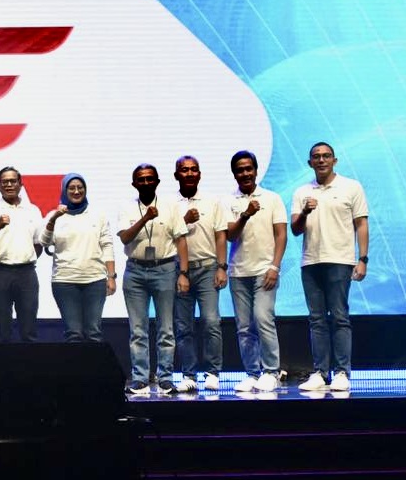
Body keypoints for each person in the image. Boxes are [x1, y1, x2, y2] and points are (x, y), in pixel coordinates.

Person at [292, 142, 369, 393]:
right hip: (311, 261)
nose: (321, 160)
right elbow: (295, 229)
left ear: (334, 160)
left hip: (340, 260)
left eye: (326, 156)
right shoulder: (302, 191)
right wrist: (305, 212)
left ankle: (342, 372)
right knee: (316, 319)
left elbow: (361, 224)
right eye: (316, 157)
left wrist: (363, 259)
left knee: (339, 317)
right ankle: (320, 372)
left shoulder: (351, 187)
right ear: (310, 163)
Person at [118, 164, 190, 395]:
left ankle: (165, 378)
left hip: (165, 268)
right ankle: (140, 378)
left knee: (166, 328)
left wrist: (183, 273)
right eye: (141, 179)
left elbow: (181, 240)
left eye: (150, 178)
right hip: (135, 270)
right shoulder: (127, 207)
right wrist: (145, 218)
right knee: (138, 329)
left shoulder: (170, 206)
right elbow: (125, 237)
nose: (146, 182)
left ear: (157, 181)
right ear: (134, 184)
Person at [226, 151, 287, 393]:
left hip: (265, 270)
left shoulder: (272, 198)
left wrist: (275, 266)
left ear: (256, 170)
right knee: (244, 327)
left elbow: (281, 235)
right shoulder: (228, 201)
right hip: (238, 271)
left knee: (263, 319)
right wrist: (245, 214)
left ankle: (271, 371)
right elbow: (230, 235)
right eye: (240, 170)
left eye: (248, 168)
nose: (245, 173)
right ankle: (252, 373)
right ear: (234, 174)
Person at [172, 156, 229, 393]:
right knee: (183, 326)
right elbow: (167, 236)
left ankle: (213, 372)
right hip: (178, 270)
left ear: (199, 174)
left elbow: (221, 235)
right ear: (176, 175)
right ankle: (189, 374)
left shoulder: (212, 201)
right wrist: (183, 220)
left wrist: (222, 267)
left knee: (211, 321)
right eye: (184, 170)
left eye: (193, 169)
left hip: (207, 267)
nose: (189, 173)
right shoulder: (169, 204)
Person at [38, 173, 116, 344]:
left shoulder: (98, 215)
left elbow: (107, 245)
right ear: (64, 191)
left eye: (80, 188)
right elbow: (44, 242)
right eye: (71, 188)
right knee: (73, 334)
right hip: (64, 282)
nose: (76, 191)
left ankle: (94, 363)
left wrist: (111, 276)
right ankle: (76, 363)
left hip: (95, 280)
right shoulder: (55, 215)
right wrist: (54, 218)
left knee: (94, 333)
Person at [0, 166, 44, 343]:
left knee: (29, 330)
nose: (9, 185)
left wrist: (25, 258)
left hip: (27, 274)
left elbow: (38, 245)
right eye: (4, 182)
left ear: (20, 184)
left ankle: (29, 362)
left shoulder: (33, 210)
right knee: (2, 332)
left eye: (13, 181)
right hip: (0, 273)